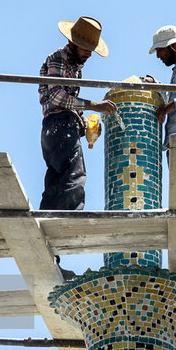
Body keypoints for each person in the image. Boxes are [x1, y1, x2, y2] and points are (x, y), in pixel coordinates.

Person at [38, 16, 117, 210]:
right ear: (72, 43)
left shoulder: (74, 68)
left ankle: (47, 219)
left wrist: (84, 125)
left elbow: (68, 105)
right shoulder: (59, 58)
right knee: (74, 175)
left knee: (57, 180)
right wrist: (94, 105)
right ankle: (70, 221)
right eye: (85, 49)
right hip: (59, 125)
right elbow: (57, 97)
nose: (89, 54)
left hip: (58, 127)